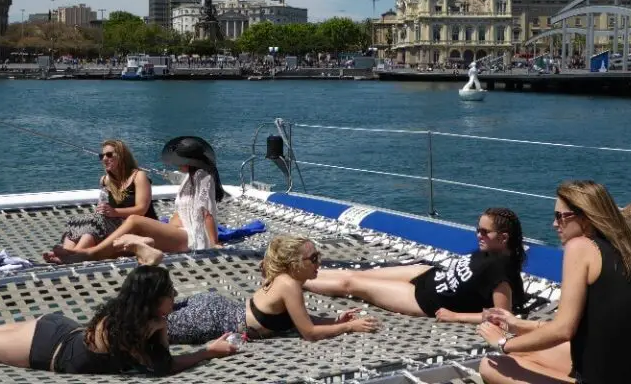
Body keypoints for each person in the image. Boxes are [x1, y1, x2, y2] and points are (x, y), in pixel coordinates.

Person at [0, 266, 238, 374]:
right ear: (153, 299)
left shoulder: (137, 317)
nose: (175, 297)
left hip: (58, 331)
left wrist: (163, 329)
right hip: (50, 347)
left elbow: (161, 359)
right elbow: (161, 368)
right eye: (170, 293)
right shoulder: (136, 327)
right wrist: (207, 351)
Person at [477, 181, 631, 384]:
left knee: (491, 364)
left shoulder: (580, 246)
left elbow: (563, 330)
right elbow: (586, 326)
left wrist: (503, 342)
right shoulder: (626, 251)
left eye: (561, 216)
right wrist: (517, 325)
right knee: (525, 352)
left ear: (585, 218)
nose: (554, 224)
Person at [304, 207, 526, 322]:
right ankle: (298, 269)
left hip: (424, 299)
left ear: (504, 237)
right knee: (363, 273)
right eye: (478, 229)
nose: (478, 235)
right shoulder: (491, 252)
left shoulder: (501, 270)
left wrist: (456, 316)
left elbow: (502, 317)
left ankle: (295, 277)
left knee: (352, 283)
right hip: (429, 275)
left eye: (484, 232)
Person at [165, 235, 380, 344]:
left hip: (216, 309)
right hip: (210, 319)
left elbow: (301, 319)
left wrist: (335, 321)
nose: (319, 263)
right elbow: (309, 333)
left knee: (152, 314)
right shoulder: (288, 284)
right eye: (314, 258)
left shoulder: (286, 280)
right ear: (295, 263)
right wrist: (350, 327)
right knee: (142, 328)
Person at [49, 136, 225, 265]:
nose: (176, 163)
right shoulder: (189, 178)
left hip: (194, 237)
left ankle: (89, 253)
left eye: (180, 159)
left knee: (133, 221)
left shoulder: (204, 177)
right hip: (179, 232)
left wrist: (215, 243)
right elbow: (183, 212)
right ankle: (70, 255)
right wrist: (167, 229)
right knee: (123, 242)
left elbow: (206, 212)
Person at [43, 139, 156, 263]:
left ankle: (72, 255)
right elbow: (103, 208)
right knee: (79, 222)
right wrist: (104, 211)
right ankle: (67, 252)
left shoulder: (138, 176)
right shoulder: (105, 180)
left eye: (109, 154)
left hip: (140, 228)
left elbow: (142, 209)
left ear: (122, 155)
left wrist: (114, 212)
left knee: (95, 222)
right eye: (102, 156)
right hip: (117, 225)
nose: (104, 159)